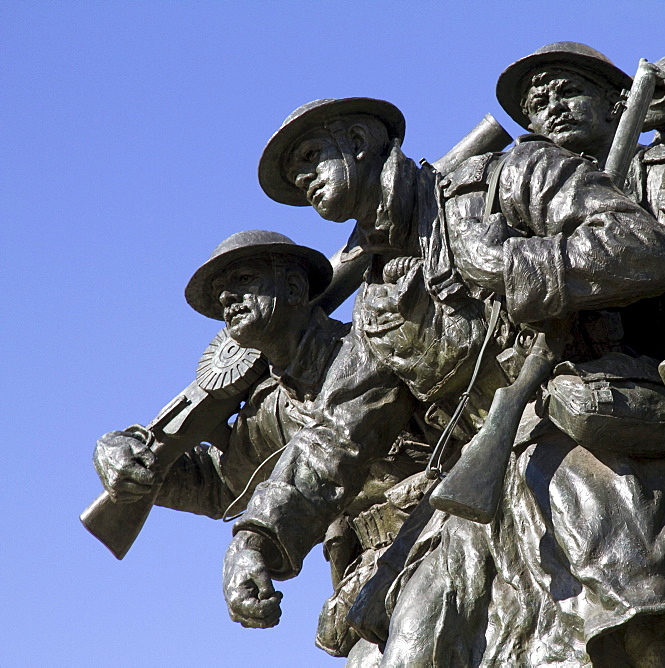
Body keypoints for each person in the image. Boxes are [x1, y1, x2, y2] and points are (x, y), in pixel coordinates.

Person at [221, 95, 665, 661]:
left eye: (310, 156)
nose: (304, 178)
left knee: (623, 595)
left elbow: (645, 247)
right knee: (406, 647)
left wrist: (507, 266)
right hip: (478, 490)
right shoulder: (378, 304)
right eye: (297, 175)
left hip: (582, 427)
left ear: (358, 143)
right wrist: (257, 537)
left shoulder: (508, 177)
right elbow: (336, 436)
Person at [368, 43, 665, 666]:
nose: (550, 109)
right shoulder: (514, 202)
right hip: (563, 402)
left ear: (621, 104)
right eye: (536, 105)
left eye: (569, 91)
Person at [91, 229, 429, 655]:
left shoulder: (370, 343)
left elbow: (332, 446)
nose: (227, 299)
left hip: (442, 523)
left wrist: (251, 540)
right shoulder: (270, 409)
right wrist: (125, 452)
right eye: (220, 294)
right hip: (374, 567)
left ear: (293, 287)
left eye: (244, 280)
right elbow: (219, 484)